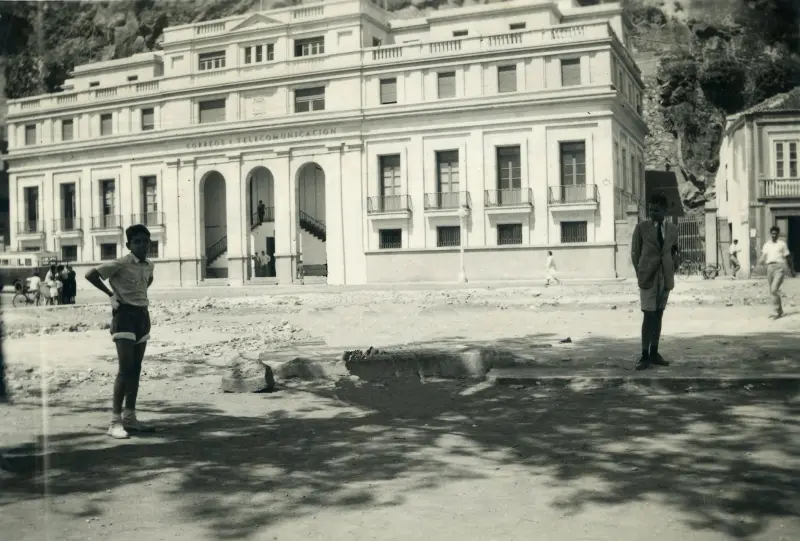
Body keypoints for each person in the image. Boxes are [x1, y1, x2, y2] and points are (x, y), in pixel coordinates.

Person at [85, 224, 155, 439]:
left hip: (142, 317)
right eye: (137, 242)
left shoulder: (149, 265)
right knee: (125, 369)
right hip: (124, 317)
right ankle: (115, 422)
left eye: (146, 241)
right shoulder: (120, 263)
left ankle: (130, 417)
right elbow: (91, 274)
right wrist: (111, 294)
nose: (142, 245)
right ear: (128, 244)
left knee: (136, 368)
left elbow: (146, 283)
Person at [631, 193, 680, 371]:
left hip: (665, 278)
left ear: (665, 210)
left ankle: (654, 353)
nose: (652, 213)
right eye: (650, 209)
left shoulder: (673, 230)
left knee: (659, 314)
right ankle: (644, 355)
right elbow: (635, 253)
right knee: (648, 315)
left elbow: (674, 252)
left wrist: (671, 268)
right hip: (648, 278)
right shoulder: (641, 228)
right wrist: (641, 273)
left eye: (656, 210)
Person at [757, 226, 795, 319]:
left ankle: (776, 311)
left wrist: (792, 269)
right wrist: (759, 263)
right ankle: (780, 311)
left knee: (774, 289)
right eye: (772, 233)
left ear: (778, 234)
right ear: (770, 234)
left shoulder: (782, 244)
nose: (774, 235)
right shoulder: (767, 244)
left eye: (776, 233)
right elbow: (763, 256)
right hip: (770, 268)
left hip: (780, 267)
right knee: (772, 291)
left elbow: (788, 257)